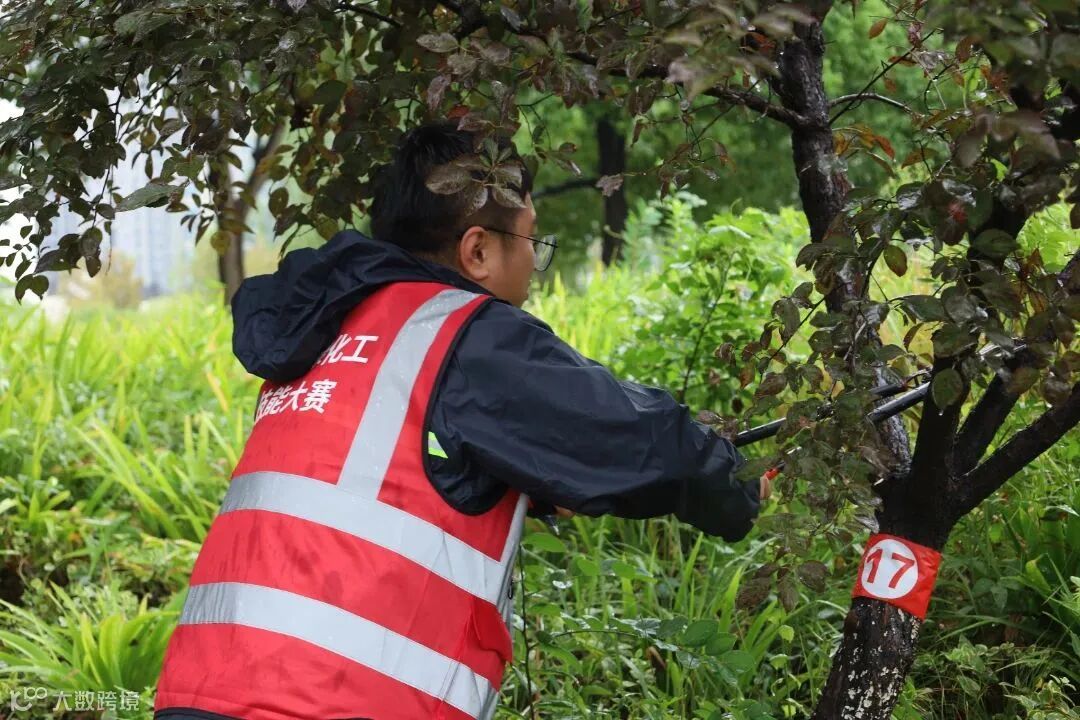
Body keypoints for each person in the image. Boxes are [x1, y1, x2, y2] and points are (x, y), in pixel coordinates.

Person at [152, 121, 771, 720]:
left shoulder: (326, 328)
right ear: (477, 250)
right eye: (532, 241)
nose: (533, 263)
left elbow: (388, 478)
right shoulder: (467, 334)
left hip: (199, 692)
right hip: (336, 701)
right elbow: (637, 438)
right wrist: (734, 479)